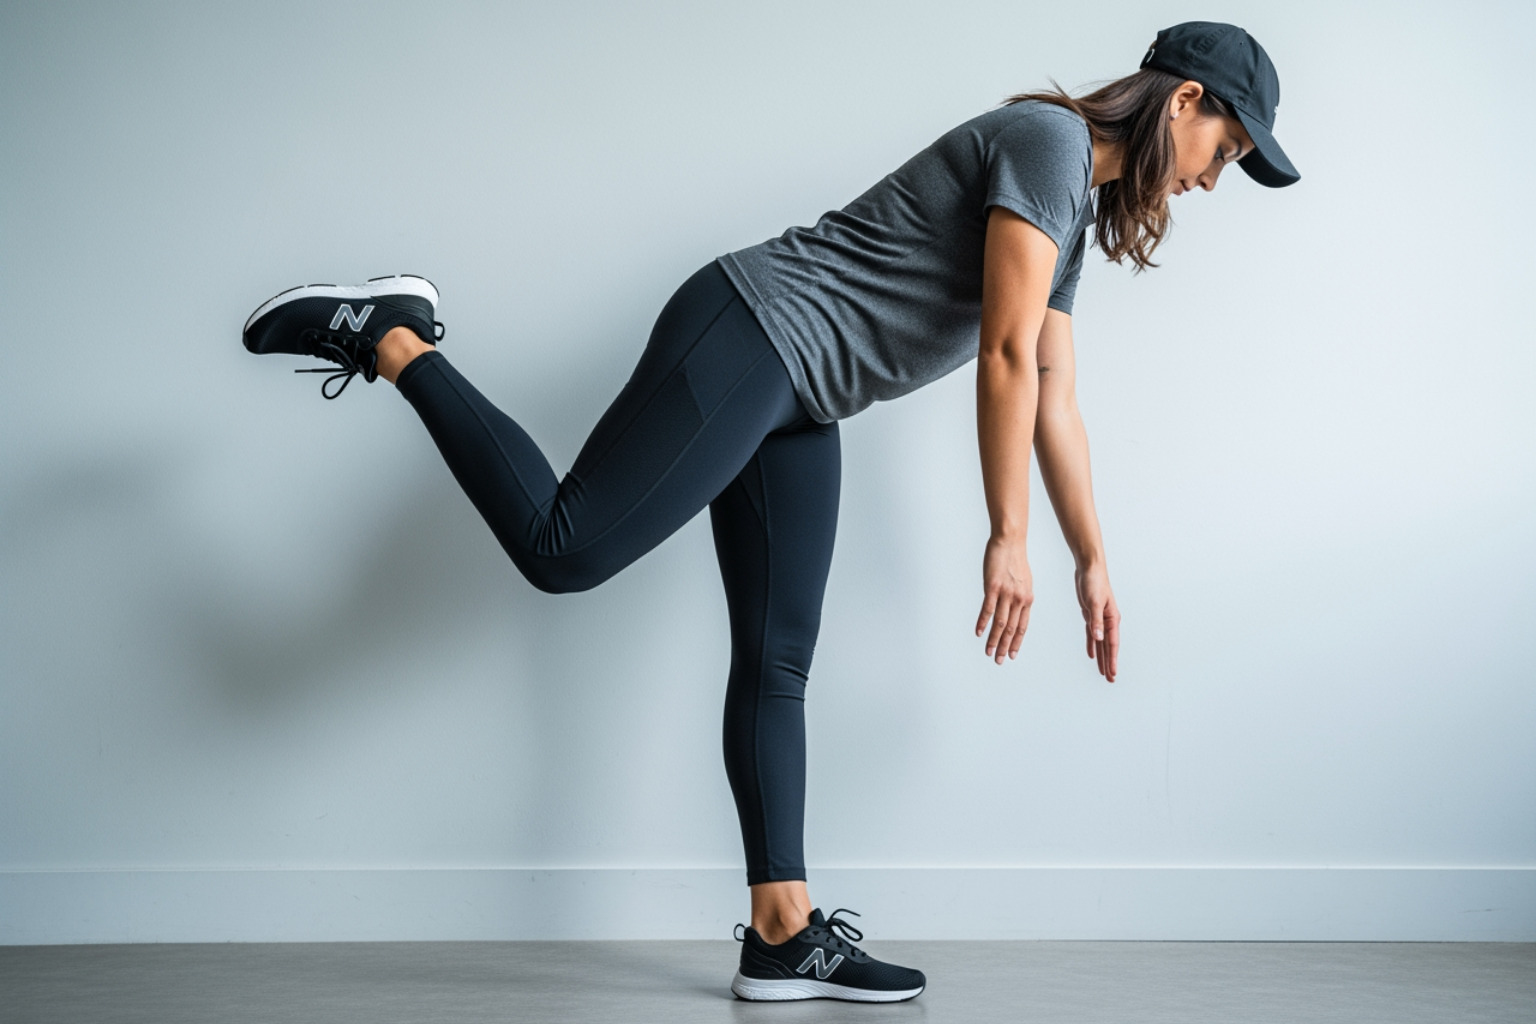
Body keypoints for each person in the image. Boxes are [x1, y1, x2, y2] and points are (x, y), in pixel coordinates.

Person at [241, 20, 1298, 1004]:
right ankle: (394, 338)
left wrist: (1091, 560)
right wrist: (1008, 535)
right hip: (753, 329)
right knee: (562, 549)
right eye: (1228, 145)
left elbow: (1055, 390)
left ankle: (781, 930)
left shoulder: (1069, 216)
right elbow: (1007, 356)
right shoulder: (1051, 144)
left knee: (779, 656)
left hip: (805, 397)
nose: (1218, 176)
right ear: (1184, 100)